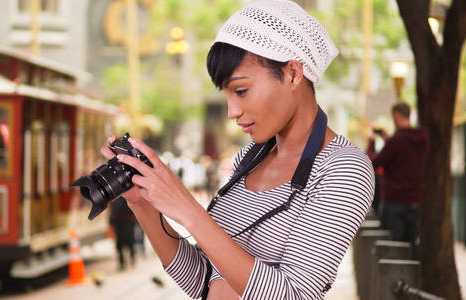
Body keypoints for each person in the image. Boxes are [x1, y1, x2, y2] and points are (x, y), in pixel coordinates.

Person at [101, 1, 374, 298]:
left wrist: (189, 210)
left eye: (241, 91)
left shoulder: (344, 169)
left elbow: (294, 295)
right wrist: (143, 205)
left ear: (294, 74)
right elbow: (203, 281)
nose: (232, 111)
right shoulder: (249, 159)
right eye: (227, 94)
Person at [366, 102, 429, 259]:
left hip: (395, 201)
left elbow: (375, 162)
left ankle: (395, 282)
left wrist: (371, 144)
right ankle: (411, 281)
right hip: (415, 200)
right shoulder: (423, 139)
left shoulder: (397, 141)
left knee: (394, 248)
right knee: (412, 246)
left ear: (396, 116)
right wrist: (389, 139)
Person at [109, 197, 137, 270]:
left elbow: (114, 212)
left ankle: (125, 261)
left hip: (124, 224)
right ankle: (128, 260)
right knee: (127, 243)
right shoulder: (125, 199)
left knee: (124, 244)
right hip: (124, 224)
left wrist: (111, 223)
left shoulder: (117, 199)